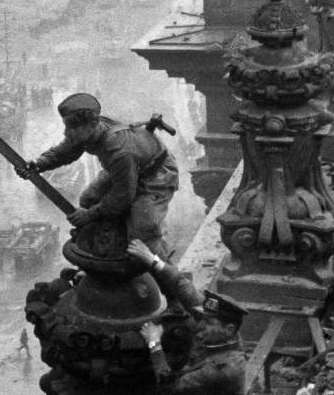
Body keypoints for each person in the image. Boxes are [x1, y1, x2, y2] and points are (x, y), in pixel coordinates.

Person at [15, 93, 179, 260]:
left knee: (143, 230)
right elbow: (65, 151)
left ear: (92, 124)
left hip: (156, 174)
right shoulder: (90, 130)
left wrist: (89, 215)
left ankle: (166, 271)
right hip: (126, 167)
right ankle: (108, 245)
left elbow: (122, 197)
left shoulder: (119, 149)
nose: (66, 132)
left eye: (71, 128)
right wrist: (38, 163)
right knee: (88, 199)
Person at [126, 240, 248, 394]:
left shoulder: (221, 370)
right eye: (203, 318)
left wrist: (154, 342)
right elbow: (184, 288)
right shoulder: (227, 335)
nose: (202, 324)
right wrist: (153, 260)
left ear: (229, 329)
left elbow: (169, 386)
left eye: (209, 322)